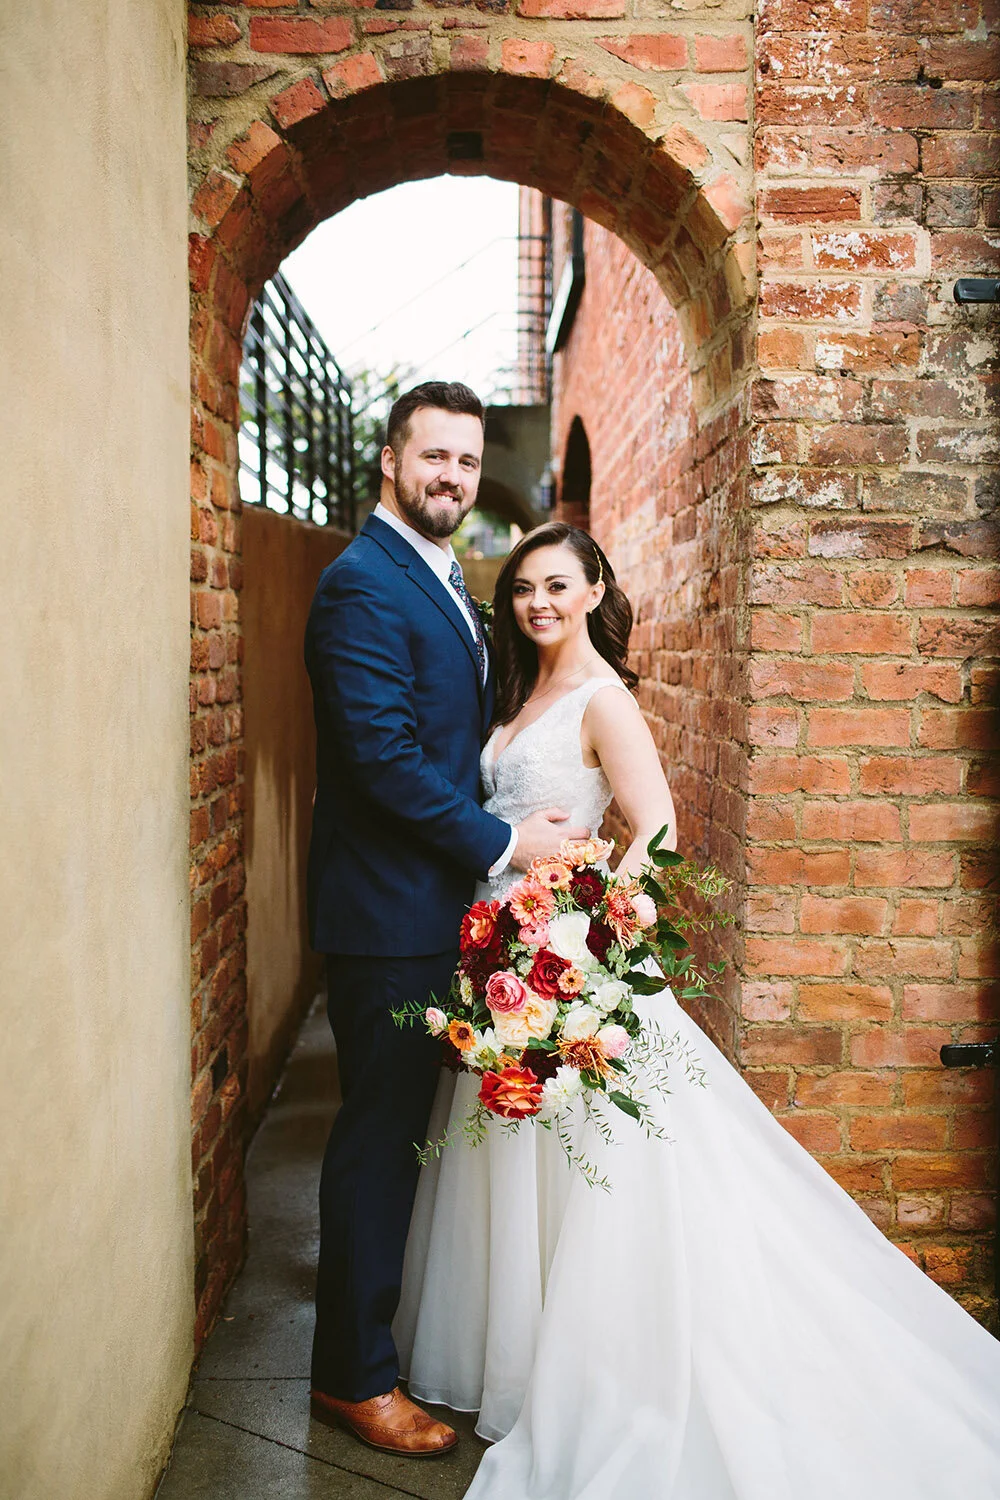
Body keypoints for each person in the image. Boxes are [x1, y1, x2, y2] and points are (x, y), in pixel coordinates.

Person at [395, 521, 1000, 1497]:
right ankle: (520, 1346)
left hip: (568, 961)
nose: (537, 604)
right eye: (521, 590)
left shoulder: (604, 700)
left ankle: (604, 1365)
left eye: (557, 586)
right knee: (515, 1158)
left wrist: (593, 929)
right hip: (501, 955)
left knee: (602, 1175)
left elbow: (659, 828)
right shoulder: (514, 694)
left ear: (594, 588)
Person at [303, 384, 588, 1458]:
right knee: (376, 1144)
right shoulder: (359, 586)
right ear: (390, 461)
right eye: (434, 459)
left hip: (434, 911)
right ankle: (351, 1378)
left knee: (405, 1141)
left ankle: (376, 1340)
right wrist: (506, 844)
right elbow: (380, 760)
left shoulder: (442, 578)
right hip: (386, 918)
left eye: (467, 463)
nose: (453, 479)